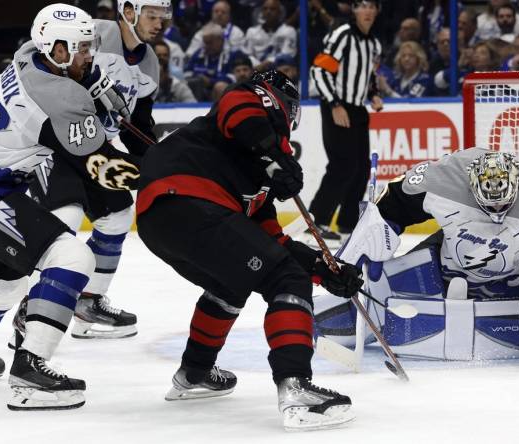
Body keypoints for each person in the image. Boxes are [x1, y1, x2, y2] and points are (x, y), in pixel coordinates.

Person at [135, 70, 363, 431]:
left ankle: (194, 373)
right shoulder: (246, 104)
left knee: (234, 282)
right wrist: (275, 155)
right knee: (285, 279)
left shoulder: (258, 177)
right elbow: (236, 107)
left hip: (162, 219)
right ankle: (296, 388)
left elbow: (277, 244)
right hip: (191, 202)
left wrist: (325, 269)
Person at [316, 148, 519, 360]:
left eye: (504, 206)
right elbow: (394, 199)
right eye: (488, 206)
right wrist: (378, 230)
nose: (496, 215)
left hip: (515, 286)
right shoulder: (445, 178)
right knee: (365, 299)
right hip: (445, 270)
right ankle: (304, 318)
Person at [0, 3, 140, 409]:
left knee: (8, 278)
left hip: (4, 187)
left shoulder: (30, 54)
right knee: (72, 256)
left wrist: (88, 78)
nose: (88, 55)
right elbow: (104, 165)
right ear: (56, 50)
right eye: (79, 49)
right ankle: (30, 371)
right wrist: (171, 173)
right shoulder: (57, 97)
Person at [7, 0, 168, 347]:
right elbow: (100, 161)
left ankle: (87, 302)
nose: (159, 22)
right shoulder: (82, 49)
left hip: (77, 143)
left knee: (118, 213)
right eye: (152, 13)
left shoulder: (145, 62)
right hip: (56, 151)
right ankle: (34, 307)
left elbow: (136, 126)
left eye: (163, 14)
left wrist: (155, 155)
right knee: (62, 227)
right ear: (128, 11)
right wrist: (166, 174)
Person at [309, 0, 383, 243]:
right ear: (354, 10)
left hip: (357, 108)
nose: (368, 11)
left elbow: (369, 76)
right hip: (337, 105)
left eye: (372, 6)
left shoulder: (374, 44)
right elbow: (319, 71)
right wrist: (334, 104)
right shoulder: (342, 35)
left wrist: (373, 94)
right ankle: (316, 221)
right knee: (342, 165)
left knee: (360, 169)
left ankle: (347, 224)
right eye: (362, 6)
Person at [185, 22, 234, 101]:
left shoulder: (231, 55)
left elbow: (233, 78)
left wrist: (210, 82)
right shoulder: (199, 54)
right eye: (205, 43)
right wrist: (197, 77)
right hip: (199, 89)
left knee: (220, 86)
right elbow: (187, 72)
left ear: (220, 40)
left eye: (209, 43)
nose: (206, 46)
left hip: (220, 92)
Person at [243, 0, 297, 71]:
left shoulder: (289, 31)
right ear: (261, 12)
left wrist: (268, 63)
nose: (268, 12)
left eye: (272, 9)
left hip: (279, 70)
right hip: (256, 69)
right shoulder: (251, 32)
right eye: (265, 9)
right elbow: (248, 54)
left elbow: (288, 54)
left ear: (280, 12)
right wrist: (257, 65)